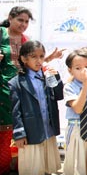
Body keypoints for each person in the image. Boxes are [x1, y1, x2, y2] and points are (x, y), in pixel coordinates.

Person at [0, 6, 64, 174]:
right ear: (10, 18)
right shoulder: (0, 34)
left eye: (27, 21)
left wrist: (50, 64)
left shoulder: (26, 41)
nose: (24, 24)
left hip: (24, 91)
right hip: (5, 91)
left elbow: (35, 62)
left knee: (28, 139)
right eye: (20, 20)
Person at [8, 40, 64, 174]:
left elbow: (58, 95)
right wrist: (19, 134)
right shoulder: (16, 83)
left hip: (48, 131)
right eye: (34, 56)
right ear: (24, 59)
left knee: (47, 167)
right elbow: (16, 112)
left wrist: (55, 77)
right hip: (30, 132)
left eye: (41, 56)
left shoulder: (47, 76)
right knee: (32, 168)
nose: (39, 60)